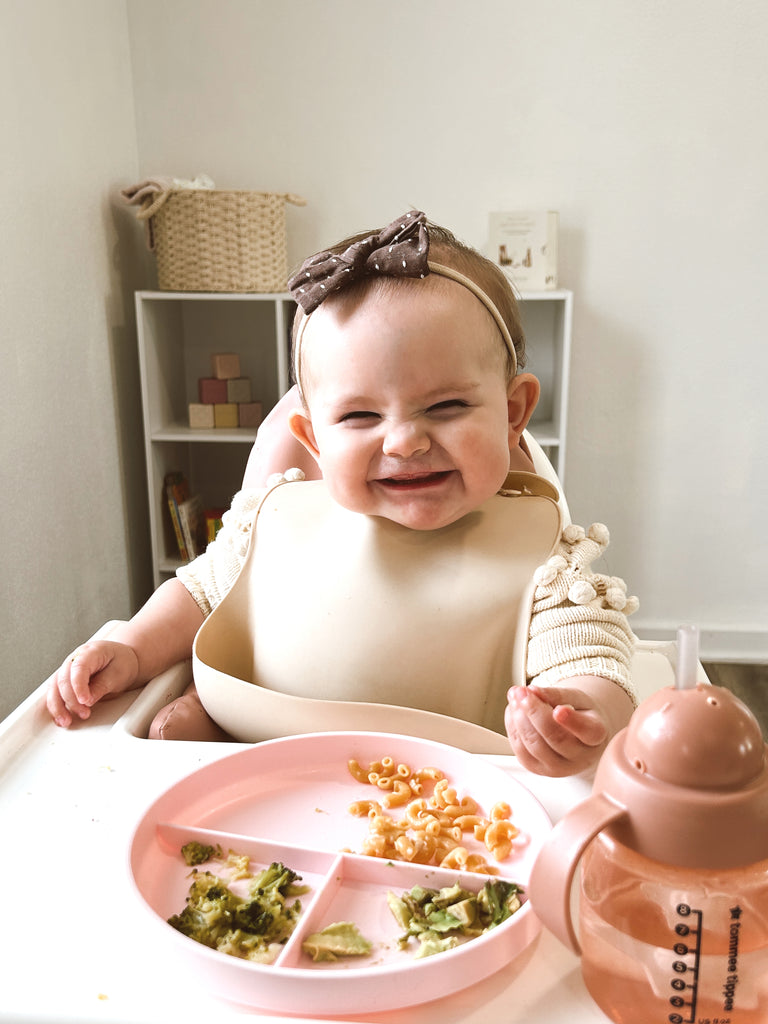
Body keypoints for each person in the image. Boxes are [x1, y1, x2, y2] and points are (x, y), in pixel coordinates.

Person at [46, 211, 638, 777]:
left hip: (453, 803)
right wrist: (132, 649)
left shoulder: (545, 562)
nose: (405, 441)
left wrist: (580, 714)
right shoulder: (278, 522)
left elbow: (592, 656)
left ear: (513, 414)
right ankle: (223, 719)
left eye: (447, 406)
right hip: (274, 771)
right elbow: (200, 593)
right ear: (313, 439)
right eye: (359, 415)